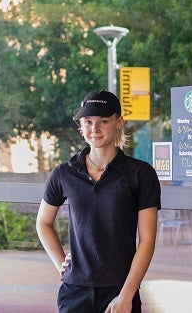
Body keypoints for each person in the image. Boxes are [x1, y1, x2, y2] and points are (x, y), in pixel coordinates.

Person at [36, 90, 161, 313]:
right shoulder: (64, 173)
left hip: (120, 290)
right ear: (81, 126)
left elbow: (147, 240)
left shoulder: (140, 173)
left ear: (119, 122)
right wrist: (62, 265)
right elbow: (43, 223)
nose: (95, 129)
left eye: (103, 121)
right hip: (74, 292)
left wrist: (126, 296)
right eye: (88, 122)